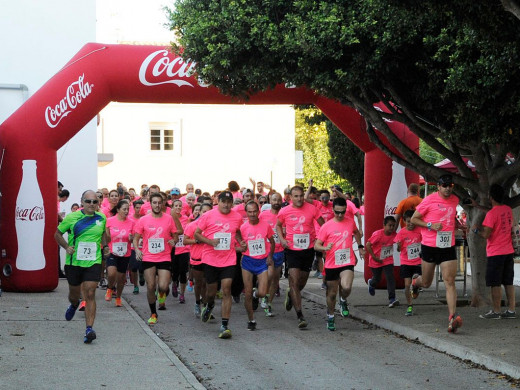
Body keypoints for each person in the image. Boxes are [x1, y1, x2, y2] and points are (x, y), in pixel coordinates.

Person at [410, 174, 464, 333]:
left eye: (450, 186)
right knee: (426, 282)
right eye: (444, 186)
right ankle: (416, 283)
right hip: (430, 246)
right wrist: (430, 225)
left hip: (447, 245)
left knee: (450, 281)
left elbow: (450, 216)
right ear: (438, 186)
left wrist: (457, 225)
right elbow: (414, 219)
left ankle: (452, 318)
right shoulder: (429, 200)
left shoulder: (454, 200)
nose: (448, 189)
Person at [55, 190, 108, 343]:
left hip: (94, 261)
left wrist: (105, 247)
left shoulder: (102, 217)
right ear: (82, 202)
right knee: (74, 294)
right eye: (88, 201)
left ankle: (89, 329)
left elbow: (103, 234)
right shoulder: (72, 217)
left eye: (95, 202)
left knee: (90, 292)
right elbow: (57, 234)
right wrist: (66, 247)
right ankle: (74, 303)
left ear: (98, 203)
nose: (92, 204)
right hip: (74, 263)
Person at [195, 191, 244, 339]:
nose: (226, 205)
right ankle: (209, 305)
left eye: (229, 202)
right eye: (223, 201)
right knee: (211, 293)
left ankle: (224, 325)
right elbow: (197, 234)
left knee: (226, 289)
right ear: (218, 201)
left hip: (228, 258)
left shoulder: (237, 216)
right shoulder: (208, 215)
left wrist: (241, 242)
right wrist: (210, 242)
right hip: (210, 258)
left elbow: (236, 231)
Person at [276, 186, 325, 328]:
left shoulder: (312, 208)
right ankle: (300, 315)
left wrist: (320, 240)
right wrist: (282, 239)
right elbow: (278, 225)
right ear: (290, 197)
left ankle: (291, 294)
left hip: (308, 249)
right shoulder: (285, 211)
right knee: (294, 280)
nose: (299, 199)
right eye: (295, 196)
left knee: (301, 283)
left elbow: (324, 225)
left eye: (300, 196)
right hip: (292, 250)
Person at [315, 197, 364, 331]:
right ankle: (330, 317)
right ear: (333, 210)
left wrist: (360, 246)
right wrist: (324, 248)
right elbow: (316, 245)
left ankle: (343, 301)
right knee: (331, 294)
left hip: (347, 261)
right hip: (332, 264)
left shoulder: (350, 222)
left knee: (346, 287)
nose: (340, 215)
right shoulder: (326, 226)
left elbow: (356, 232)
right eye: (337, 212)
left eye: (342, 212)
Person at [133, 193, 183, 325]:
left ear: (163, 204)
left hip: (164, 256)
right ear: (150, 203)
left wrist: (174, 241)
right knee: (150, 286)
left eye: (159, 202)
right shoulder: (143, 220)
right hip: (148, 256)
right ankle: (153, 313)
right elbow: (136, 238)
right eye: (154, 202)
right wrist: (137, 250)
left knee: (163, 286)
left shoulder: (169, 218)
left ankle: (161, 294)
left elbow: (175, 236)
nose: (157, 205)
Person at [473, 184, 516, 319]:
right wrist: (478, 206)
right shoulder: (508, 210)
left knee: (495, 283)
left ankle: (496, 311)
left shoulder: (491, 214)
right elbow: (508, 222)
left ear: (491, 197)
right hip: (508, 251)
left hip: (495, 253)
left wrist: (475, 229)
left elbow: (486, 234)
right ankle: (511, 310)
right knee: (508, 282)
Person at [239, 201, 275, 330]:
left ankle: (256, 296)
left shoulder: (266, 225)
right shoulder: (242, 228)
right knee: (247, 292)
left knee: (262, 292)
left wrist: (270, 256)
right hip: (248, 261)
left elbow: (272, 241)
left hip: (262, 262)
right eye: (250, 212)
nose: (252, 214)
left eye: (255, 211)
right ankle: (251, 320)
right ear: (246, 213)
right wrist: (241, 248)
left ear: (258, 211)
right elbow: (238, 245)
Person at [184, 203, 213, 317]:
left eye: (209, 211)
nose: (206, 214)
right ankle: (197, 302)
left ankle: (206, 306)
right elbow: (185, 241)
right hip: (197, 258)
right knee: (199, 283)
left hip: (211, 258)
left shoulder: (214, 226)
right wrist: (196, 241)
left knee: (208, 283)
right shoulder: (192, 225)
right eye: (204, 211)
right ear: (199, 212)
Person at [259, 192, 284, 316]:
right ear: (270, 200)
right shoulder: (263, 215)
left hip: (280, 250)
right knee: (269, 275)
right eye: (274, 200)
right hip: (267, 250)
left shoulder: (284, 215)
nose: (276, 202)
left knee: (275, 279)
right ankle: (263, 293)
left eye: (279, 200)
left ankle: (268, 302)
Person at [105, 200, 134, 307]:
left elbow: (133, 238)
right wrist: (105, 246)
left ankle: (118, 297)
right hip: (112, 251)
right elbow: (106, 236)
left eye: (128, 209)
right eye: (124, 209)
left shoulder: (131, 222)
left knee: (121, 278)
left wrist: (131, 239)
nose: (126, 211)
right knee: (112, 273)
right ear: (118, 210)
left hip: (125, 253)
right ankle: (110, 288)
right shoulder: (110, 221)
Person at [394, 210, 422, 316]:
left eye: (413, 221)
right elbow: (398, 249)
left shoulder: (420, 230)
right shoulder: (401, 232)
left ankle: (416, 287)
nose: (411, 224)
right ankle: (409, 305)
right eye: (408, 222)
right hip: (406, 262)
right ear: (404, 221)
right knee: (406, 285)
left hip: (418, 261)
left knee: (420, 281)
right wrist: (398, 245)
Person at [366, 216, 398, 307]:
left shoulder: (394, 235)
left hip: (388, 259)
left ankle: (392, 299)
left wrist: (399, 245)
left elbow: (400, 242)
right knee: (377, 279)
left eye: (393, 225)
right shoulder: (378, 234)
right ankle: (371, 283)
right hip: (376, 260)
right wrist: (373, 256)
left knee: (390, 277)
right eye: (389, 225)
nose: (391, 228)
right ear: (384, 225)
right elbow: (368, 245)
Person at [171, 199, 191, 304]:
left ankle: (182, 294)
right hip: (173, 248)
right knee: (174, 271)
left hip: (184, 248)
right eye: (176, 206)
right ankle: (174, 283)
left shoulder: (186, 219)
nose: (178, 208)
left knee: (183, 272)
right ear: (172, 207)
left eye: (180, 206)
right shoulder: (169, 219)